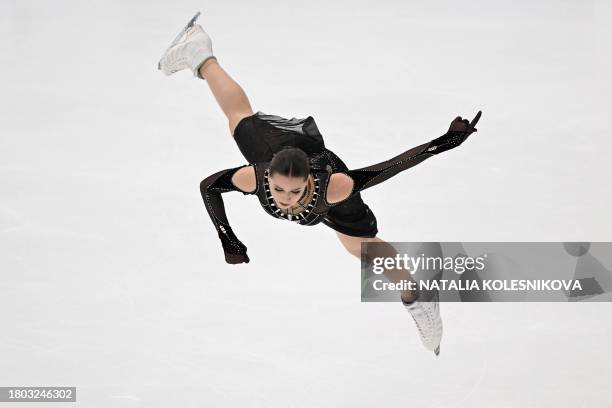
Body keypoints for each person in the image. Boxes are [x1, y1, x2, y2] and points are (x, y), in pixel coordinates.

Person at [158, 12, 482, 356]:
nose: (284, 199)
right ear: (266, 177)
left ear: (308, 184)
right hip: (273, 149)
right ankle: (200, 52)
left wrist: (442, 142)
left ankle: (418, 298)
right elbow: (209, 186)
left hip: (328, 191)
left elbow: (392, 167)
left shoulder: (335, 186)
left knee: (363, 248)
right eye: (278, 190)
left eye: (293, 192)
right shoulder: (255, 176)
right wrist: (229, 238)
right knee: (238, 118)